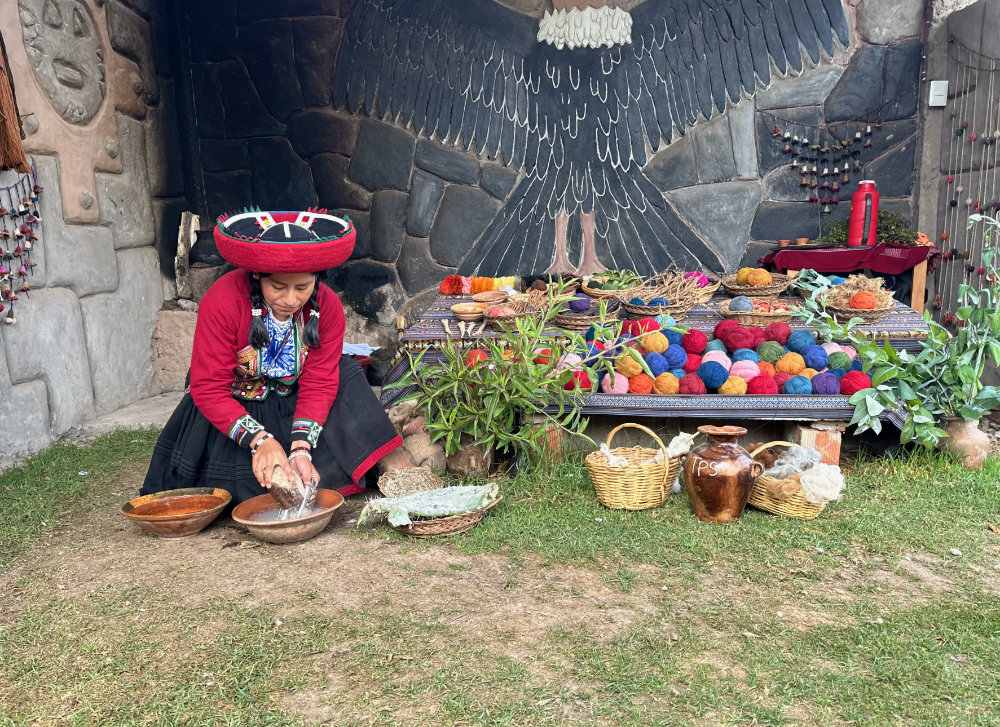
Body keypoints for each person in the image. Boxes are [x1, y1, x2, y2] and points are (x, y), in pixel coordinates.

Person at [141, 209, 402, 504]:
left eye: (303, 287)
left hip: (295, 400)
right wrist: (261, 441)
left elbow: (319, 380)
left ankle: (393, 464)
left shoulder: (327, 306)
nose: (290, 299)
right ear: (257, 275)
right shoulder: (222, 300)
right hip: (237, 403)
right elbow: (209, 387)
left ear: (317, 279)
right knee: (241, 490)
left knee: (346, 370)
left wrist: (301, 447)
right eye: (278, 286)